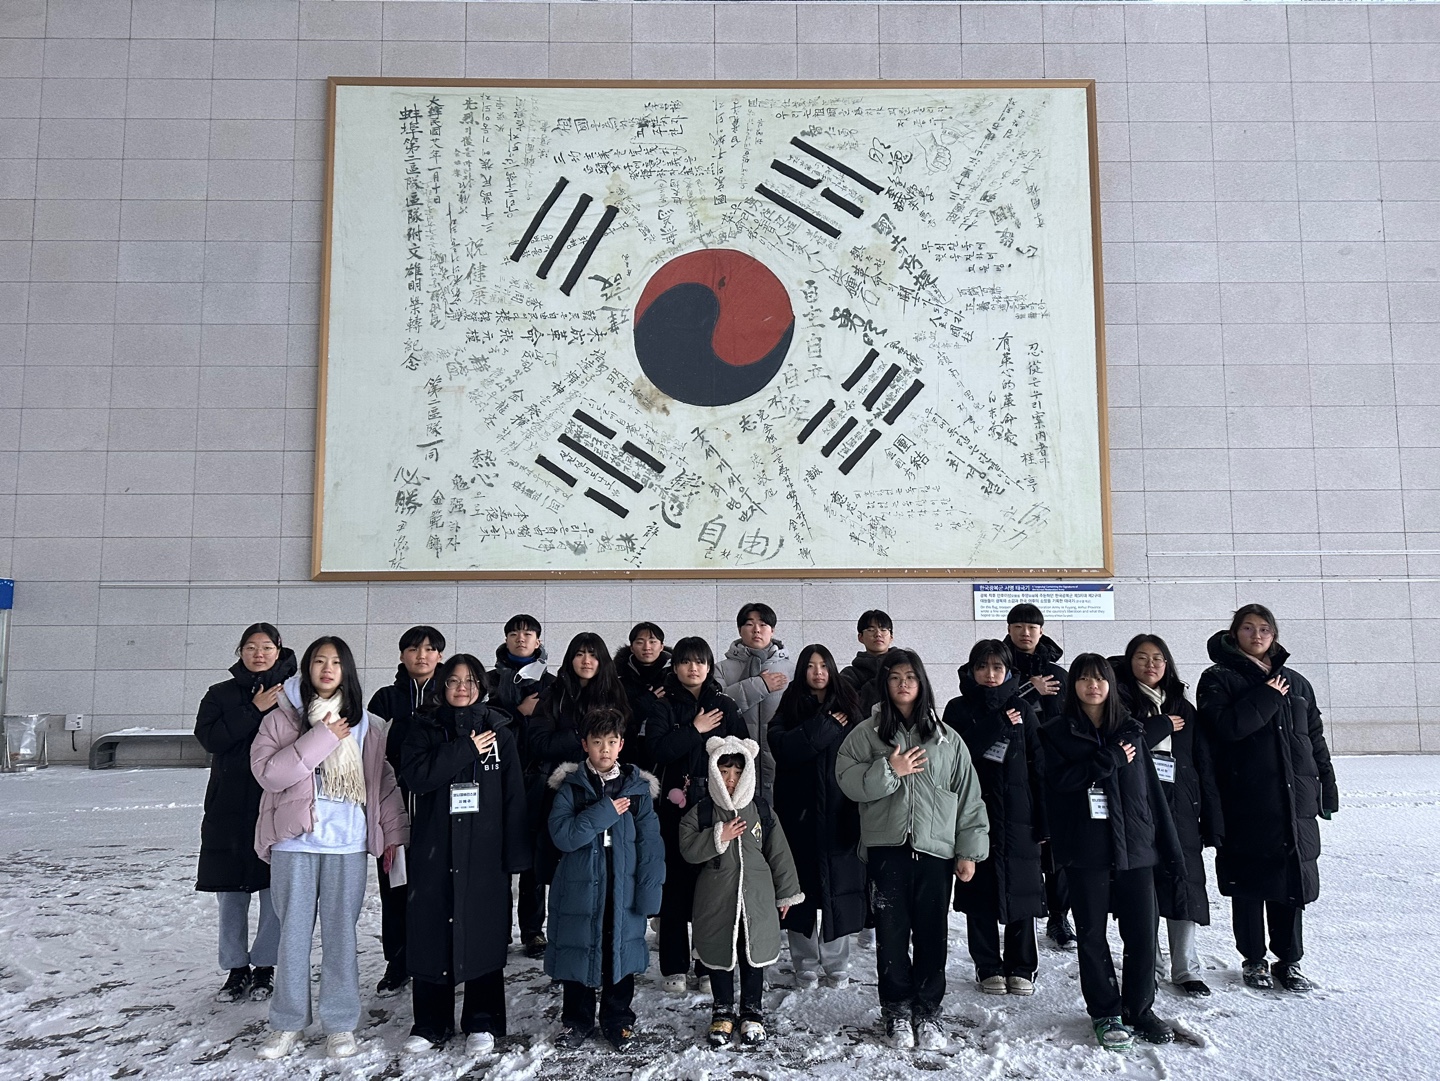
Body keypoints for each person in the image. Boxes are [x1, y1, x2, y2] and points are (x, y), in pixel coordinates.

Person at [250, 636, 408, 1061]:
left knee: (340, 937)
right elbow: (269, 774)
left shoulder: (368, 725)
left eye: (335, 662)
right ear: (307, 669)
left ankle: (339, 1025)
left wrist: (394, 835)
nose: (326, 669)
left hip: (347, 845)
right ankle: (287, 1023)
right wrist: (321, 737)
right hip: (294, 842)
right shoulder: (282, 718)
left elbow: (383, 783)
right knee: (292, 936)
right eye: (318, 661)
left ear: (346, 671)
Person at [836, 649, 989, 1051]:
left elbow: (968, 796)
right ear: (884, 684)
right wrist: (891, 769)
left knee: (932, 933)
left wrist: (968, 851)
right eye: (894, 677)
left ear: (922, 683)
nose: (903, 684)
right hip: (887, 849)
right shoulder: (866, 734)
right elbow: (847, 780)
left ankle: (928, 1010)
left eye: (910, 677)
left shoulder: (946, 737)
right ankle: (897, 1010)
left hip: (935, 851)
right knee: (891, 933)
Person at [1039, 653, 1185, 1051]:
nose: (1093, 686)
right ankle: (1105, 1011)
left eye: (1100, 679)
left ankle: (1140, 1008)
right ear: (1073, 685)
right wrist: (1108, 759)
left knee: (1142, 933)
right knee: (1091, 935)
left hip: (1135, 846)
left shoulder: (1132, 731)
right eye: (1084, 679)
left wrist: (1167, 845)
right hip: (1086, 848)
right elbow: (1059, 783)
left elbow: (1150, 792)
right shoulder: (1056, 732)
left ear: (1110, 685)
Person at [1196, 604, 1338, 994]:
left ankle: (1289, 960)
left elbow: (1314, 739)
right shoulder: (1217, 678)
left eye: (1264, 629)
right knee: (1248, 882)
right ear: (1234, 634)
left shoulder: (1297, 683)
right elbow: (1225, 729)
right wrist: (1267, 696)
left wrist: (1327, 787)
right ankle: (1253, 958)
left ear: (1273, 635)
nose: (1256, 635)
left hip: (1293, 800)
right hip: (1243, 798)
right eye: (1248, 628)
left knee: (1290, 879)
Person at [399, 654, 530, 1055]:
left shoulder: (500, 732)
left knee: (483, 931)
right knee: (431, 931)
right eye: (453, 681)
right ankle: (430, 1023)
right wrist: (465, 748)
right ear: (442, 685)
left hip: (484, 850)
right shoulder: (423, 728)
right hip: (433, 849)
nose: (461, 688)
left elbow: (513, 796)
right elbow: (417, 777)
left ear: (482, 688)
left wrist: (515, 856)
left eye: (470, 681)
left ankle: (482, 1020)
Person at [545, 708, 665, 1051]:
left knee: (619, 951)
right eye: (597, 742)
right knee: (579, 950)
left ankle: (618, 1019)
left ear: (622, 744)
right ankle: (576, 1020)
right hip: (580, 888)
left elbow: (650, 845)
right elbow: (563, 836)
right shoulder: (571, 787)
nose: (605, 750)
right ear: (585, 745)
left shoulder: (637, 790)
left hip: (622, 886)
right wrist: (606, 811)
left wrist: (649, 893)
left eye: (612, 742)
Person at [1113, 634, 1221, 998]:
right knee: (1144, 890)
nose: (1151, 665)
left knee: (1184, 887)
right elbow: (1121, 746)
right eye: (1142, 658)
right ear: (1130, 662)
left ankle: (1186, 969)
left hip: (1182, 809)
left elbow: (1202, 763)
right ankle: (1151, 966)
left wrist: (1211, 817)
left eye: (1158, 658)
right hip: (1139, 807)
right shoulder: (1120, 703)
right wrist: (1160, 725)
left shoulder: (1183, 707)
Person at [194, 622, 296, 1004]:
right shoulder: (220, 694)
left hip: (277, 802)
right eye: (251, 647)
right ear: (241, 651)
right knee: (230, 893)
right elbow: (210, 738)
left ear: (279, 650)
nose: (259, 653)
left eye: (266, 647)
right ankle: (235, 968)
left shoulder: (294, 693)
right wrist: (253, 709)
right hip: (229, 806)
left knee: (273, 891)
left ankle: (265, 965)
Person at [680, 735, 804, 1048]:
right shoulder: (702, 811)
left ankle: (752, 1012)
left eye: (737, 772)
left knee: (753, 955)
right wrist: (718, 836)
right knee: (719, 953)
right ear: (714, 772)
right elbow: (688, 848)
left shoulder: (761, 810)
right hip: (716, 898)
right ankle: (722, 1011)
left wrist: (787, 892)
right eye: (724, 772)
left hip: (756, 898)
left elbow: (780, 853)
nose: (731, 779)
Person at [942, 639, 1046, 997]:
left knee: (1022, 892)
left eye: (997, 667)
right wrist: (998, 724)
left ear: (1008, 671)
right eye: (982, 667)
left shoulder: (1022, 708)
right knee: (978, 892)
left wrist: (1044, 820)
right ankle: (987, 965)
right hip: (973, 814)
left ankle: (1022, 966)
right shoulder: (957, 709)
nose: (990, 674)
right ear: (971, 670)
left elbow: (1039, 766)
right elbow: (954, 758)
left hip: (1019, 817)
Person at [646, 637, 748, 993]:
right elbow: (656, 750)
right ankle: (674, 965)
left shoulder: (725, 705)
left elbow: (743, 755)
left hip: (715, 807)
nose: (693, 668)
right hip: (672, 808)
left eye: (700, 662)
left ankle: (707, 963)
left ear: (709, 666)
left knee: (711, 888)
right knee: (674, 887)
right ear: (675, 667)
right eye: (686, 662)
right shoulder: (662, 706)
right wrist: (695, 731)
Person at [525, 633, 633, 953]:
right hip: (558, 788)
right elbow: (538, 742)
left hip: (603, 790)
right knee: (548, 860)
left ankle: (599, 931)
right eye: (580, 654)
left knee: (598, 860)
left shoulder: (616, 695)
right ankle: (535, 930)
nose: (586, 661)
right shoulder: (554, 694)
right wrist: (582, 736)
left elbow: (622, 746)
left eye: (593, 654)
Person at [767, 643, 866, 990]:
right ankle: (805, 963)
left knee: (838, 890)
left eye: (824, 665)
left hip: (841, 811)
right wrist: (823, 726)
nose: (818, 672)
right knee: (800, 894)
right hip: (799, 815)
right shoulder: (791, 703)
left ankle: (837, 964)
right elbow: (783, 748)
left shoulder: (849, 705)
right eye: (810, 666)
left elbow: (863, 753)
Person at [365, 625, 446, 996]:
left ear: (440, 656)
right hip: (394, 807)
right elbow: (370, 752)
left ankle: (435, 955)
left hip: (437, 808)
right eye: (413, 649)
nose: (421, 655)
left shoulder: (449, 695)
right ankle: (397, 960)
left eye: (429, 649)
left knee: (436, 885)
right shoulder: (385, 699)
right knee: (395, 886)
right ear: (402, 655)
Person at [1003, 602, 1074, 950]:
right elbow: (993, 707)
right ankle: (1024, 914)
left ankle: (1059, 915)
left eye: (1032, 627)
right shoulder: (997, 667)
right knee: (1022, 842)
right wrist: (1029, 689)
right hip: (1012, 768)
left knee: (1058, 844)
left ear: (1042, 631)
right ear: (1009, 630)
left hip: (1054, 768)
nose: (1025, 633)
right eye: (1018, 626)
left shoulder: (1060, 675)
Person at [488, 613, 554, 959]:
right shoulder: (489, 680)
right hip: (498, 778)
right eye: (514, 633)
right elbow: (483, 720)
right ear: (506, 639)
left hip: (539, 776)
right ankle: (496, 929)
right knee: (496, 857)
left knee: (533, 860)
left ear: (538, 641)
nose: (521, 638)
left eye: (528, 633)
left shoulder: (551, 682)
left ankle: (532, 930)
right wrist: (518, 711)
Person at [717, 602, 794, 804]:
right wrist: (760, 685)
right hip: (733, 766)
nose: (757, 630)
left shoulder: (792, 670)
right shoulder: (721, 669)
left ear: (772, 630)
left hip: (781, 764)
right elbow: (718, 708)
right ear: (739, 629)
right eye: (750, 624)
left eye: (763, 624)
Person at [613, 621, 671, 770]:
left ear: (662, 646)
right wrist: (646, 702)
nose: (647, 647)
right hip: (626, 751)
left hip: (665, 751)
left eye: (652, 642)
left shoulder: (674, 675)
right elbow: (614, 717)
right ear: (632, 647)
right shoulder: (618, 677)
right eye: (640, 642)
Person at [840, 609, 896, 717]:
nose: (878, 634)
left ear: (891, 637)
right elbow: (853, 708)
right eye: (870, 630)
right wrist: (883, 675)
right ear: (860, 637)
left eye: (883, 629)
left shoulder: (906, 667)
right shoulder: (850, 674)